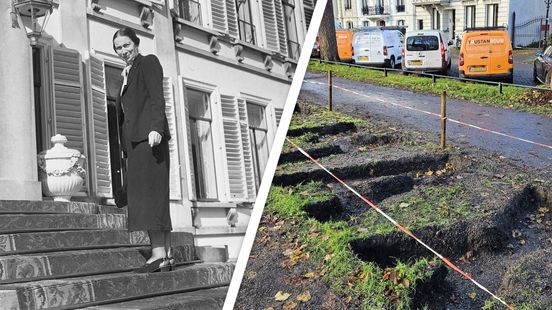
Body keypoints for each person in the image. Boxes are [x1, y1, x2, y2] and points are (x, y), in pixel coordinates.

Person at [113, 27, 173, 273]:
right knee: (148, 196)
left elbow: (157, 97)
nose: (123, 51)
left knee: (152, 196)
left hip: (150, 140)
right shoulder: (128, 73)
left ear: (136, 44)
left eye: (126, 45)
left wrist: (157, 127)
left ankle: (159, 255)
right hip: (136, 144)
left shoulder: (148, 62)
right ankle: (165, 255)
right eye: (118, 48)